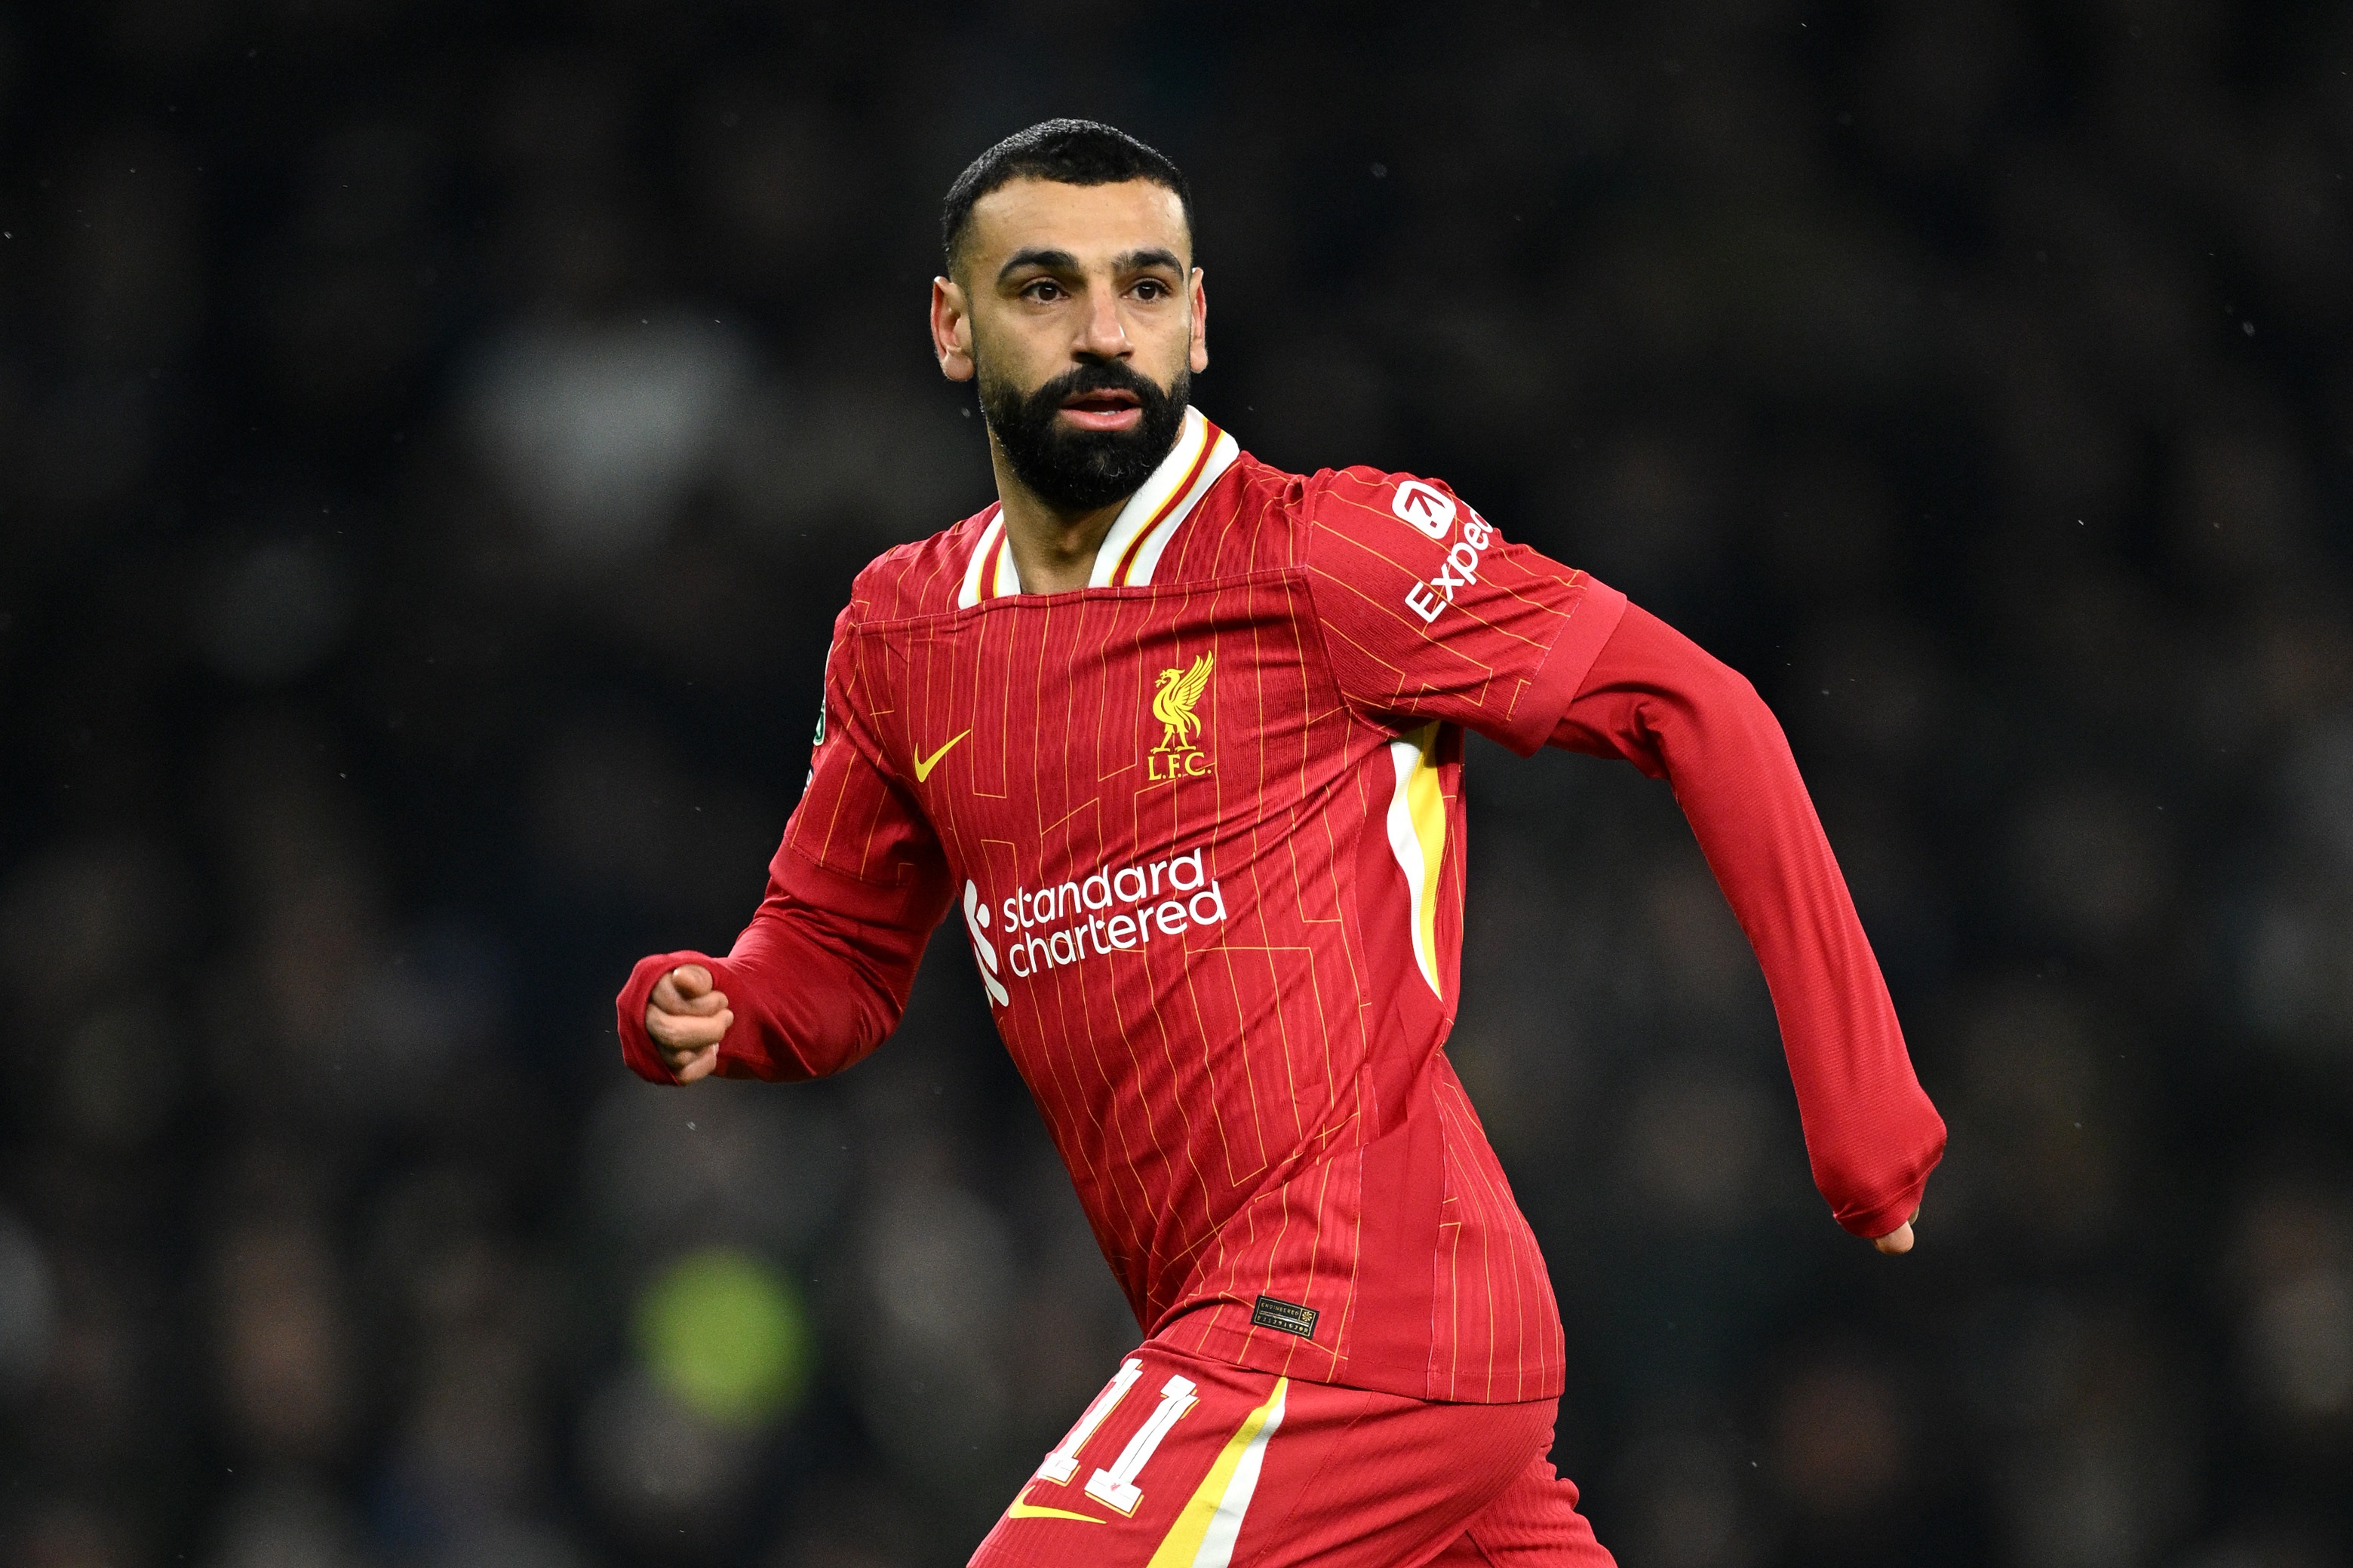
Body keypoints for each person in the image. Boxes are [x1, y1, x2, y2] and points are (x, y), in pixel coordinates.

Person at [616, 118, 1943, 1568]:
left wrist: (1861, 1107)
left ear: (1198, 321)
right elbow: (837, 957)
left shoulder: (1330, 556)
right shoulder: (902, 632)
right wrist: (722, 1007)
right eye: (1044, 289)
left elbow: (1703, 708)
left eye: (1144, 287)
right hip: (1304, 1334)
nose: (1101, 333)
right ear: (954, 325)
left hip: (1354, 1302)